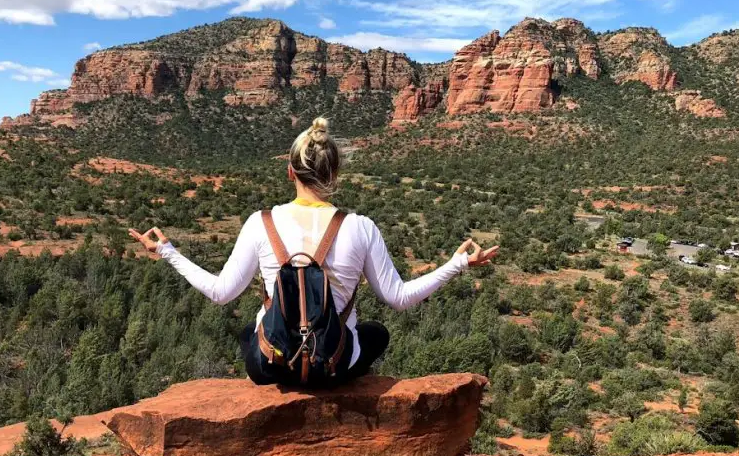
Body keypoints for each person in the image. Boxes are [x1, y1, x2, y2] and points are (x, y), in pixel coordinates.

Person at [130, 117, 498, 385]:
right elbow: (399, 297)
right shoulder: (360, 227)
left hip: (272, 366)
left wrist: (167, 251)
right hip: (333, 368)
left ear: (290, 172)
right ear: (334, 173)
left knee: (249, 330)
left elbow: (221, 293)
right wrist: (457, 263)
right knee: (376, 333)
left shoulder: (261, 222)